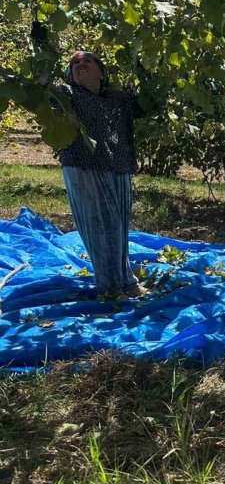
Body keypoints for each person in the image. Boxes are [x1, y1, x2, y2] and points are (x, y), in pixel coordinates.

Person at [57, 51, 146, 299]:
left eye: (88, 60)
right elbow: (40, 91)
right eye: (74, 63)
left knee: (118, 226)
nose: (80, 63)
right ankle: (109, 288)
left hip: (118, 165)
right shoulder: (66, 95)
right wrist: (39, 46)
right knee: (99, 226)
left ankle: (125, 281)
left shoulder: (118, 99)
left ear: (101, 72)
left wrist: (144, 66)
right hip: (83, 165)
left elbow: (148, 105)